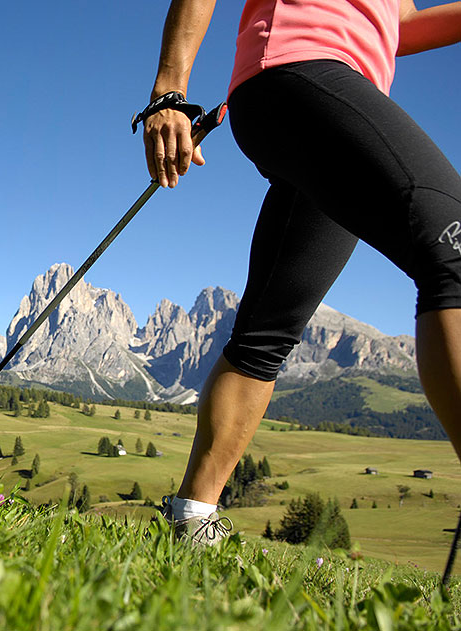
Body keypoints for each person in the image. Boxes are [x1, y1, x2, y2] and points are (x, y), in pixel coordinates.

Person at [143, 0, 461, 545]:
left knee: (266, 331)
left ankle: (189, 522)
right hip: (303, 72)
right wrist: (169, 90)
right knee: (452, 247)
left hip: (322, 95)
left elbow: (400, 26)